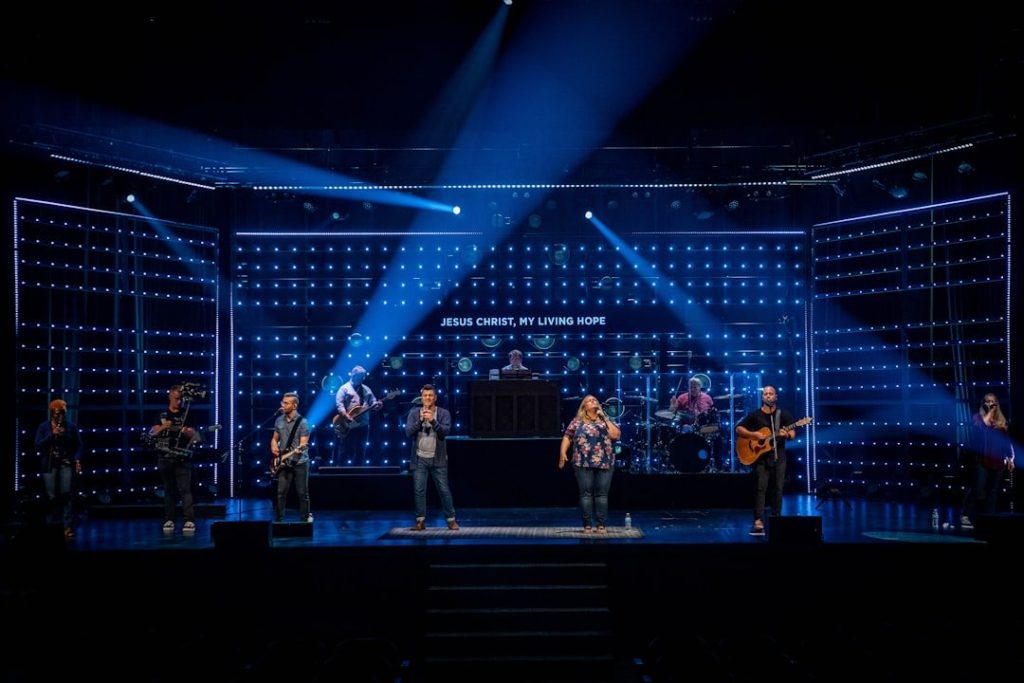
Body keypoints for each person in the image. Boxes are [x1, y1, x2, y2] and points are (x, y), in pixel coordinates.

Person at [735, 386, 797, 535]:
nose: (768, 396)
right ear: (762, 397)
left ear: (776, 397)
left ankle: (776, 519)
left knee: (778, 488)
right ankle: (758, 520)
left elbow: (793, 433)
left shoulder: (784, 414)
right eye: (766, 394)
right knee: (760, 488)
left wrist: (786, 435)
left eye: (771, 394)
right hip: (761, 458)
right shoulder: (754, 415)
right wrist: (754, 435)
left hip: (779, 456)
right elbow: (739, 429)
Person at [559, 395, 621, 533]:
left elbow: (616, 435)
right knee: (586, 494)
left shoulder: (605, 420)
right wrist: (562, 453)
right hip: (582, 461)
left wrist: (604, 418)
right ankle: (587, 524)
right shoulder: (577, 421)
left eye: (595, 401)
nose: (593, 402)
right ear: (584, 407)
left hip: (605, 461)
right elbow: (567, 437)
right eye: (589, 401)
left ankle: (601, 524)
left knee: (602, 494)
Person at [405, 384, 458, 530]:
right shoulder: (414, 413)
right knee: (419, 490)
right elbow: (408, 432)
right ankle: (420, 521)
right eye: (425, 396)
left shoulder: (443, 413)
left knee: (444, 490)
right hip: (419, 458)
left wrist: (433, 421)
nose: (427, 398)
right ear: (421, 398)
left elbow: (444, 432)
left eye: (430, 396)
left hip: (438, 458)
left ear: (435, 397)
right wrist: (420, 421)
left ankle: (451, 519)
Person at [960, 393, 1014, 528]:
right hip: (982, 459)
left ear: (997, 403)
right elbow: (983, 426)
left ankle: (990, 518)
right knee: (978, 488)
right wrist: (990, 412)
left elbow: (1006, 441)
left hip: (998, 460)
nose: (990, 403)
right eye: (988, 401)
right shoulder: (977, 418)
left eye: (993, 401)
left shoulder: (1002, 421)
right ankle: (966, 514)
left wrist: (1010, 458)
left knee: (993, 491)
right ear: (983, 403)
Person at [150, 385, 198, 533]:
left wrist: (188, 432)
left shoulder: (187, 414)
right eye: (177, 399)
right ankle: (169, 518)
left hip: (182, 458)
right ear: (170, 397)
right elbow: (152, 433)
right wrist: (164, 427)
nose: (180, 402)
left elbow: (196, 436)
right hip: (165, 457)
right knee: (169, 489)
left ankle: (189, 520)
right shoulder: (162, 414)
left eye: (182, 399)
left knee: (185, 489)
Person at [33, 399, 84, 539]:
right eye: (56, 413)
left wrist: (77, 459)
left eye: (61, 413)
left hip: (66, 464)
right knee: (51, 497)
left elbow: (79, 445)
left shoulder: (71, 427)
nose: (59, 416)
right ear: (51, 414)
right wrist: (52, 435)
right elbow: (38, 446)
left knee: (66, 495)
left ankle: (67, 527)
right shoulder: (44, 427)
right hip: (49, 465)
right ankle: (52, 526)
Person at [271, 392, 311, 523]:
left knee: (302, 494)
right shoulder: (279, 420)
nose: (282, 405)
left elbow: (302, 446)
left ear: (294, 406)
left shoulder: (303, 423)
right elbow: (274, 438)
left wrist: (297, 450)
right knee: (280, 493)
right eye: (282, 402)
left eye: (286, 403)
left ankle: (304, 520)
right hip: (283, 463)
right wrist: (273, 446)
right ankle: (278, 520)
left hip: (300, 462)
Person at [334, 365, 382, 463]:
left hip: (363, 424)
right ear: (354, 376)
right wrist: (345, 415)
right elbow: (339, 404)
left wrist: (377, 405)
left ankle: (358, 472)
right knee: (346, 449)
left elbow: (372, 402)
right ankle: (339, 472)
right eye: (361, 376)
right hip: (348, 423)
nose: (363, 378)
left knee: (361, 450)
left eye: (364, 376)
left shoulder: (366, 389)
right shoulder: (344, 388)